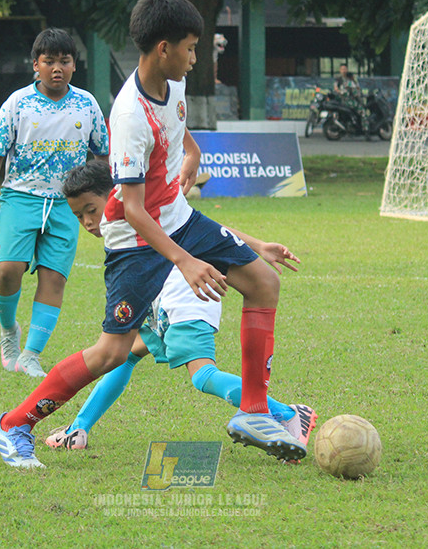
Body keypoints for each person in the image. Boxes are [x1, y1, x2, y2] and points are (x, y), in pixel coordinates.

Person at [0, 0, 306, 469]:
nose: (196, 58)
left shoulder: (173, 87)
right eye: (192, 47)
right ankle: (13, 425)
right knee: (113, 351)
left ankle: (254, 411)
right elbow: (133, 209)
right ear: (164, 49)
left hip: (177, 218)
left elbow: (184, 151)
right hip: (136, 239)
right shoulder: (129, 115)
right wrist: (186, 260)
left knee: (263, 281)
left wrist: (249, 241)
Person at [44, 161, 316, 456]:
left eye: (91, 210)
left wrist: (256, 246)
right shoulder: (120, 225)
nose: (87, 222)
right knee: (125, 354)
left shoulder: (140, 206)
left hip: (186, 292)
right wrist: (259, 244)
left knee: (201, 375)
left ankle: (288, 415)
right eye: (79, 215)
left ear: (114, 194)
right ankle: (78, 429)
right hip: (158, 295)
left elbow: (203, 226)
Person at [0, 28, 109, 377]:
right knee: (7, 271)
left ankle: (31, 355)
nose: (56, 68)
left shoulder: (87, 105)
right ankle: (9, 334)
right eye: (48, 61)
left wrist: (106, 202)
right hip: (21, 197)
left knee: (54, 279)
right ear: (36, 64)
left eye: (64, 61)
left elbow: (104, 155)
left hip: (68, 206)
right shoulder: (18, 104)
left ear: (73, 66)